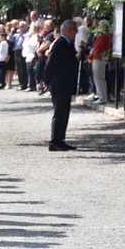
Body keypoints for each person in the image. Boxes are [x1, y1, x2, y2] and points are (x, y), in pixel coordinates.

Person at [44, 20, 79, 151]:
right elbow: (51, 64)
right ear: (69, 30)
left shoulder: (67, 43)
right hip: (59, 84)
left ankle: (60, 139)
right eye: (75, 30)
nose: (76, 33)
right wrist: (46, 81)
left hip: (65, 84)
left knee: (64, 113)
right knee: (59, 113)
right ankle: (54, 141)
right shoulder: (60, 43)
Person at [88, 20, 111, 104]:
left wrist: (90, 55)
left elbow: (98, 48)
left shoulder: (104, 36)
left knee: (99, 78)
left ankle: (102, 97)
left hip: (99, 58)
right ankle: (102, 96)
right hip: (97, 57)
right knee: (99, 78)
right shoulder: (103, 35)